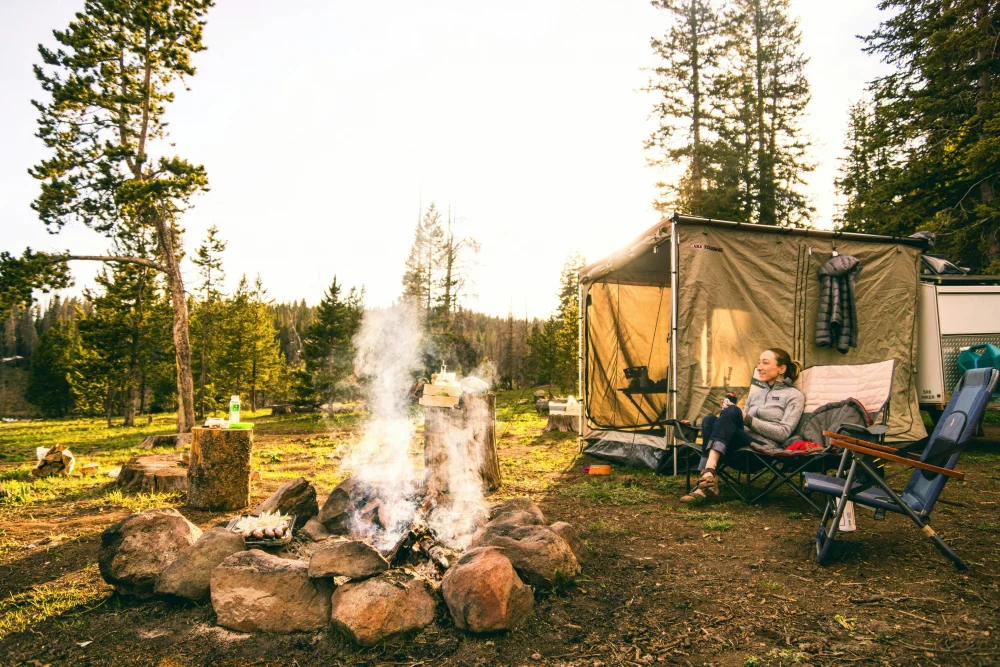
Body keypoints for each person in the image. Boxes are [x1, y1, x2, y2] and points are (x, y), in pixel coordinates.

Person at [680, 348, 805, 502]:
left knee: (732, 411)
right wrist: (728, 417)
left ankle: (707, 476)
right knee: (709, 420)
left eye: (765, 363)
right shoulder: (755, 395)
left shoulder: (794, 396)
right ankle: (709, 478)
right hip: (739, 447)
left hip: (762, 450)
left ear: (782, 369)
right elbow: (741, 425)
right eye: (759, 363)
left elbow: (783, 433)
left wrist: (746, 418)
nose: (759, 367)